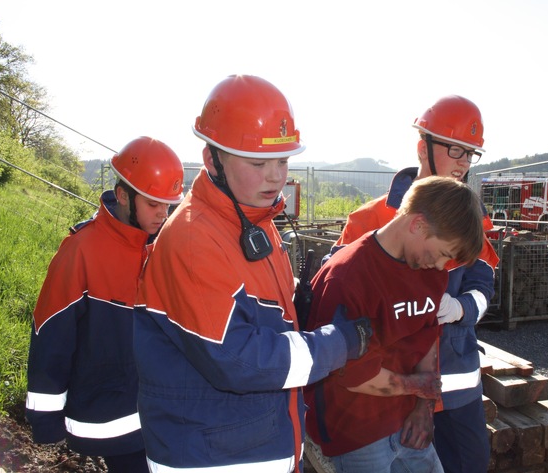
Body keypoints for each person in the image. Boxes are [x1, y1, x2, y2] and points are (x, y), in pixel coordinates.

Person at [132, 74, 371, 473]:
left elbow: (253, 305)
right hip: (214, 459)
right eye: (258, 163)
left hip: (251, 446)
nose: (276, 176)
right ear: (212, 160)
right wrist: (338, 343)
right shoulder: (194, 238)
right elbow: (238, 360)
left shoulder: (253, 217)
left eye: (282, 160)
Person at [334, 95, 500, 473]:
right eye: (456, 148)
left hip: (456, 384)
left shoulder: (472, 219)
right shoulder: (370, 219)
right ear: (422, 146)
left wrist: (461, 309)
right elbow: (340, 301)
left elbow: (484, 283)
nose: (463, 162)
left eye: (471, 154)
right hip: (388, 388)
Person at [26, 136, 185, 472]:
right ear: (124, 195)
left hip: (161, 413)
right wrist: (45, 420)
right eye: (153, 204)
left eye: (168, 205)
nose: (163, 214)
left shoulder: (164, 248)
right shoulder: (82, 250)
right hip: (111, 418)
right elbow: (50, 335)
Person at [304, 176, 484, 473]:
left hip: (408, 425)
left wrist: (423, 408)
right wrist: (417, 387)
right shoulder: (348, 275)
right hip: (354, 434)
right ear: (418, 224)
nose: (441, 267)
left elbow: (428, 339)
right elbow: (354, 376)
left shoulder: (431, 273)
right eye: (442, 254)